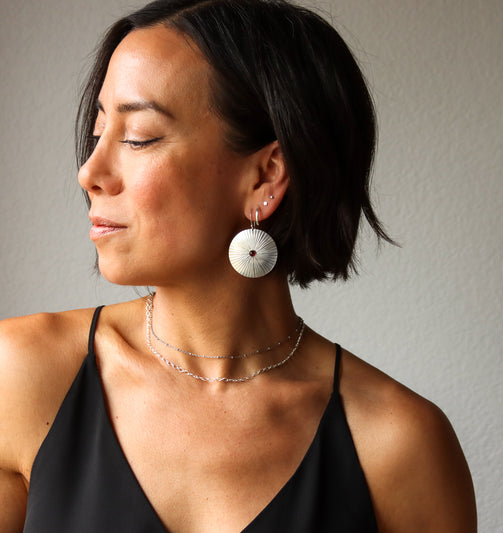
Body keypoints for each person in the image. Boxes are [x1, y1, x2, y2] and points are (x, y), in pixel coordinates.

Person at [0, 0, 476, 531]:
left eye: (138, 138)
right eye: (97, 133)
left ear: (266, 176)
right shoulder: (21, 375)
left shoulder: (399, 444)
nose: (89, 171)